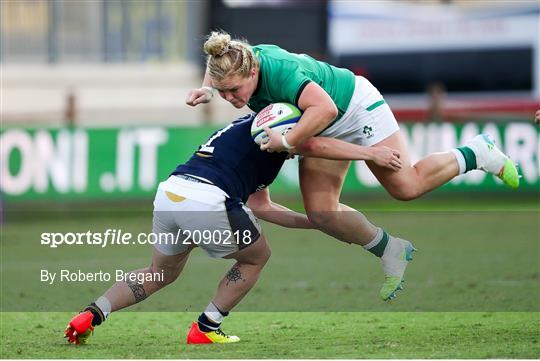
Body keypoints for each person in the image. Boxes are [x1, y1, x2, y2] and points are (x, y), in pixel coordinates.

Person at [186, 31, 519, 301]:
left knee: (406, 187)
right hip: (317, 120)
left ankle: (478, 152)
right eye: (223, 91)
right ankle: (391, 250)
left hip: (353, 106)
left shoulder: (279, 70)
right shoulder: (233, 59)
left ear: (253, 72)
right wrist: (206, 88)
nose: (230, 97)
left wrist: (288, 142)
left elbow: (326, 110)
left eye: (234, 90)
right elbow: (217, 63)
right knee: (322, 213)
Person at [64, 112, 405, 345]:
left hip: (171, 192)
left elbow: (262, 206)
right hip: (209, 198)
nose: (293, 151)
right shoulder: (276, 144)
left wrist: (313, 223)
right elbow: (312, 151)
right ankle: (206, 327)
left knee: (159, 273)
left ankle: (91, 315)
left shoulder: (240, 127)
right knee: (256, 257)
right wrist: (369, 154)